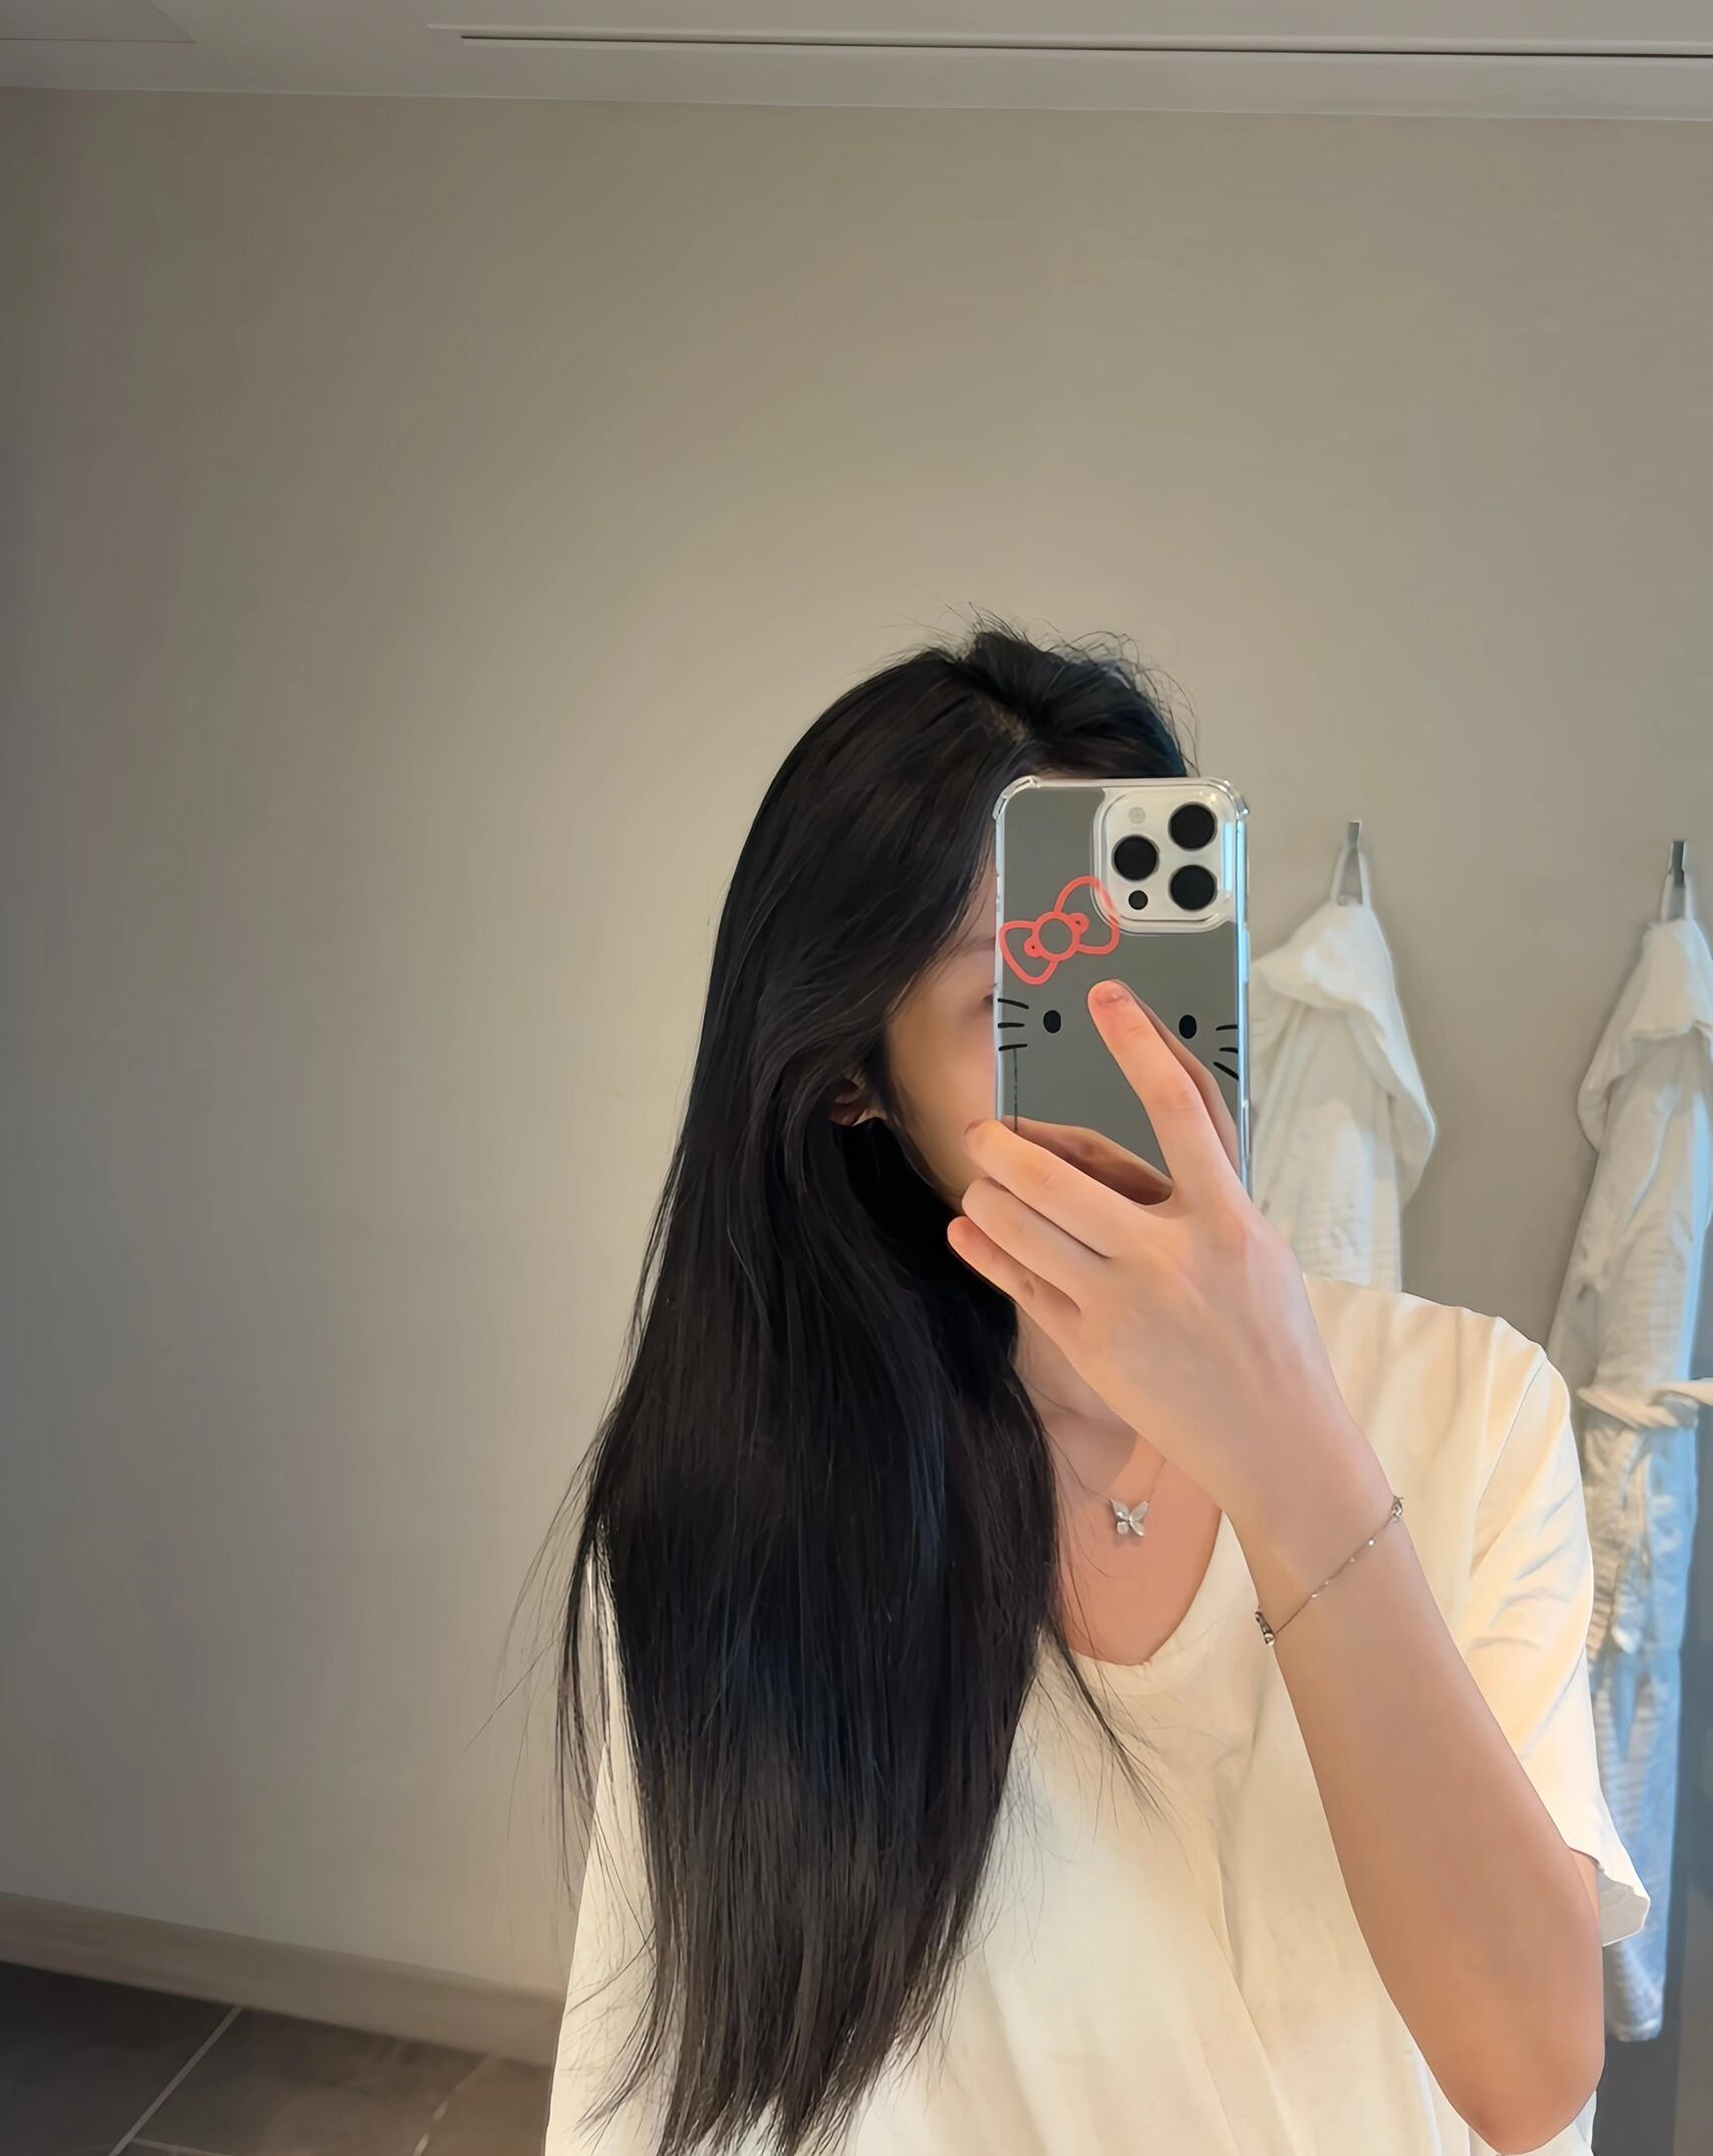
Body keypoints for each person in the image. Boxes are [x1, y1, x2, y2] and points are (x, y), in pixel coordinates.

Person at [537, 614, 1648, 2156]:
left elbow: (1528, 2073)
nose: (1135, 1065)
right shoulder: (746, 1487)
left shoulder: (1469, 1408)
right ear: (854, 1078)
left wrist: (1283, 1444)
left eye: (1156, 980)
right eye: (1036, 1002)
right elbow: (669, 2092)